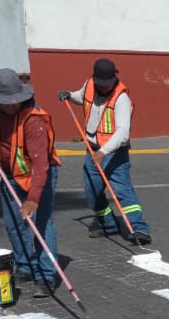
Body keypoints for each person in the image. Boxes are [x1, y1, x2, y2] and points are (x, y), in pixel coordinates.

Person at [0, 69, 61, 298]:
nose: (11, 106)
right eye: (5, 103)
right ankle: (25, 265)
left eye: (14, 102)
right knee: (13, 223)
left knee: (41, 223)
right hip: (9, 172)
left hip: (38, 174)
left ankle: (46, 275)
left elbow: (41, 165)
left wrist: (33, 198)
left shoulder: (34, 120)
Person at [58, 58, 151, 245]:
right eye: (101, 84)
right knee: (93, 191)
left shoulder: (121, 98)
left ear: (113, 80)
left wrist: (104, 151)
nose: (103, 88)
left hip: (114, 152)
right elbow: (81, 96)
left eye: (107, 84)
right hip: (92, 149)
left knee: (122, 190)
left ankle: (139, 228)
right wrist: (69, 95)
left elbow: (123, 133)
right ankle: (108, 225)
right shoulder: (90, 84)